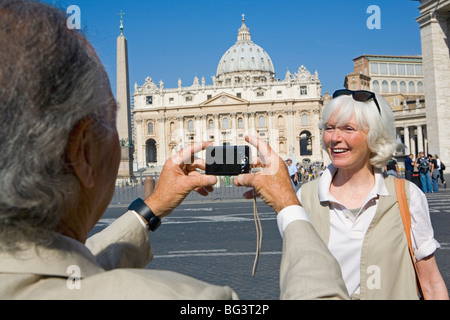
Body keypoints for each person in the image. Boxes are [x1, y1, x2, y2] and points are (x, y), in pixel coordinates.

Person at [0, 0, 349, 300]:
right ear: (84, 153)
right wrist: (291, 208)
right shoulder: (194, 300)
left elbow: (66, 270)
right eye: (112, 119)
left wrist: (150, 207)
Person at [297, 89, 448, 300]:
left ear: (375, 137)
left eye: (348, 128)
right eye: (329, 128)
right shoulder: (305, 197)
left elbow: (431, 283)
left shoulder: (407, 196)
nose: (335, 138)